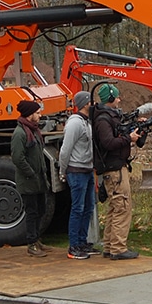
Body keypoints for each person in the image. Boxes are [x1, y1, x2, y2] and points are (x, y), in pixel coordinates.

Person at [91, 84, 140, 260]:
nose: (119, 100)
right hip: (114, 169)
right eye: (117, 97)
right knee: (122, 206)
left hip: (114, 168)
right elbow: (109, 143)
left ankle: (110, 246)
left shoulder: (105, 118)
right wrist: (129, 138)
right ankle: (118, 248)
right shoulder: (104, 120)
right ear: (110, 99)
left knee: (114, 207)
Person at [10, 99, 52, 258]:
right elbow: (18, 158)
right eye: (37, 113)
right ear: (29, 115)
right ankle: (31, 243)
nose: (40, 115)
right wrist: (31, 173)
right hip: (28, 181)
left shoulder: (33, 130)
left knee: (41, 210)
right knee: (32, 212)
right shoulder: (20, 133)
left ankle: (37, 239)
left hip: (38, 180)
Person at [58, 90, 96, 259]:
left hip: (87, 171)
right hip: (76, 171)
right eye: (91, 102)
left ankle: (82, 242)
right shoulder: (75, 123)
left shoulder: (86, 122)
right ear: (85, 104)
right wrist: (63, 170)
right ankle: (73, 246)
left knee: (88, 207)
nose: (93, 104)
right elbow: (65, 150)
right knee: (78, 208)